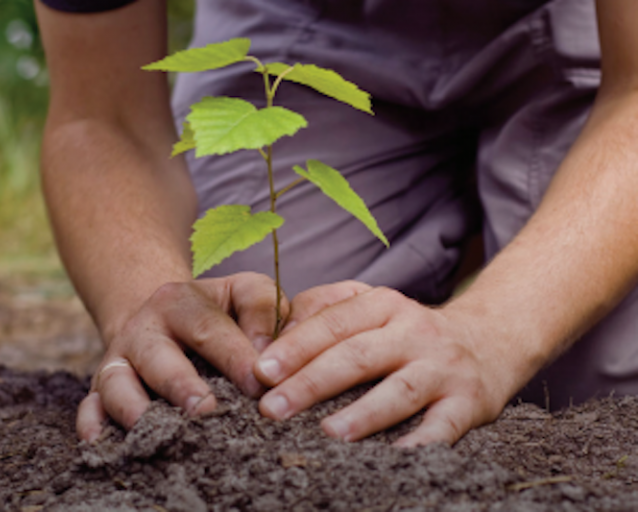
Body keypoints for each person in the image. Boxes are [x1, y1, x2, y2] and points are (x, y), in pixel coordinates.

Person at [34, 0, 638, 447]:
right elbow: (101, 114)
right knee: (258, 349)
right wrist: (144, 308)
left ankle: (485, 220)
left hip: (583, 25)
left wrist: (493, 331)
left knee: (597, 372)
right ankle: (462, 209)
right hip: (308, 23)